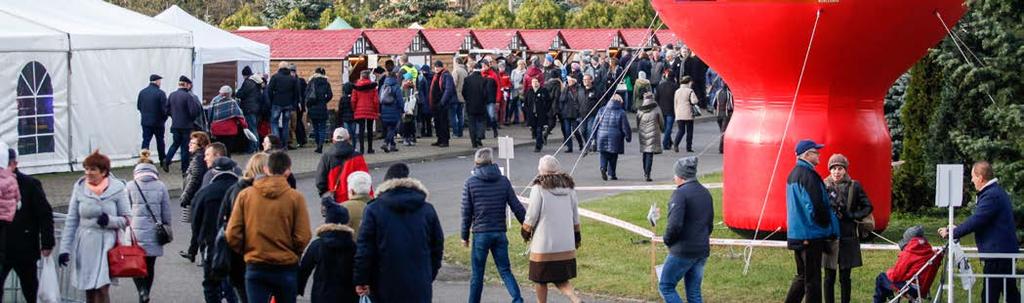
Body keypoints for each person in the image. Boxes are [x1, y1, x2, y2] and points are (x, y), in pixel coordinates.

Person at [226, 151, 312, 303]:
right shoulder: (295, 198)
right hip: (285, 265)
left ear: (266, 169)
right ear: (288, 171)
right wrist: (293, 251)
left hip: (256, 263)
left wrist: (247, 249)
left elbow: (233, 233)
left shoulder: (246, 195)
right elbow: (303, 235)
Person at [354, 166, 444, 302]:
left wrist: (361, 279)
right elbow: (437, 246)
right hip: (419, 283)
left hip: (384, 282)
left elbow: (365, 249)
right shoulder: (426, 209)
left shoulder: (374, 210)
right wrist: (428, 274)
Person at [939, 161, 1021, 303]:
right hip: (1002, 253)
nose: (971, 180)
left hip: (997, 255)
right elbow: (981, 220)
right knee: (1010, 293)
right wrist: (956, 230)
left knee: (990, 296)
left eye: (973, 177)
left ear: (980, 177)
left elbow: (977, 220)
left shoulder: (991, 195)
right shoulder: (995, 192)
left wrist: (953, 233)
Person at [58, 151, 131, 303]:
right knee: (88, 288)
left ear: (104, 172)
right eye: (86, 169)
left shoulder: (117, 188)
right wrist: (64, 249)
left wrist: (109, 221)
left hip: (107, 244)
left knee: (102, 288)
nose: (88, 173)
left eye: (92, 169)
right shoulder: (79, 187)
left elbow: (127, 218)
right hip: (85, 243)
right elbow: (72, 219)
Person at [461, 148, 528, 303]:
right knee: (505, 270)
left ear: (476, 162)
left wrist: (464, 236)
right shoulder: (503, 181)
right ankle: (518, 299)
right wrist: (526, 227)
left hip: (480, 233)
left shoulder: (470, 183)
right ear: (491, 161)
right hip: (499, 232)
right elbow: (516, 206)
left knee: (477, 274)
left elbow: (466, 212)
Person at [784, 139, 839, 303]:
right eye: (816, 152)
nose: (819, 154)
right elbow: (815, 206)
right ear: (807, 155)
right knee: (813, 281)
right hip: (811, 234)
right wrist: (826, 226)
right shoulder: (808, 175)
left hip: (798, 233)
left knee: (803, 276)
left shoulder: (794, 173)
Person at [521, 156, 581, 303]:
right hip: (565, 243)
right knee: (561, 278)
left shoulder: (538, 188)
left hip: (544, 244)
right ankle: (576, 300)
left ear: (541, 170)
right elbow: (575, 215)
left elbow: (532, 214)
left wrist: (525, 231)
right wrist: (577, 236)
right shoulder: (569, 188)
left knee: (540, 279)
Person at [0, 147, 54, 303]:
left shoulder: (30, 184)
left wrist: (47, 242)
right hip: (2, 248)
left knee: (30, 288)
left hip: (24, 248)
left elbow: (44, 214)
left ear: (15, 164)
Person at [218, 153, 271, 303]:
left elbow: (225, 223)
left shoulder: (237, 189)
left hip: (244, 255)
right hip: (256, 256)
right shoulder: (251, 192)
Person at [660, 157, 713, 303]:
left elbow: (674, 225)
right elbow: (709, 224)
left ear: (681, 176)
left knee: (666, 286)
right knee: (694, 292)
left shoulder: (680, 194)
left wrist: (667, 240)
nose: (674, 178)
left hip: (683, 250)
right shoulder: (705, 193)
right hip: (701, 249)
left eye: (675, 175)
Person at [822, 154, 873, 303]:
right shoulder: (823, 185)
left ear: (845, 170)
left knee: (845, 277)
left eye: (840, 168)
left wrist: (852, 215)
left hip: (848, 237)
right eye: (833, 169)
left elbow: (868, 206)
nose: (836, 172)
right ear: (829, 170)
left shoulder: (854, 186)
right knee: (828, 277)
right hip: (829, 237)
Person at [125, 150, 172, 303]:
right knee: (150, 265)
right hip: (154, 231)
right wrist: (167, 226)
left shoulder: (130, 185)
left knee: (135, 264)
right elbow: (166, 211)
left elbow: (125, 210)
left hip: (134, 232)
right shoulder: (161, 186)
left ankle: (141, 290)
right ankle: (145, 293)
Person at [192, 155, 240, 303]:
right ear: (233, 169)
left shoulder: (204, 192)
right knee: (235, 283)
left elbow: (195, 221)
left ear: (214, 172)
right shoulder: (242, 191)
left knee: (211, 283)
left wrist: (200, 241)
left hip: (211, 243)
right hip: (237, 243)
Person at [299, 199, 358, 303]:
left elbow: (305, 269)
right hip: (348, 296)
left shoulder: (317, 245)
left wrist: (298, 288)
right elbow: (360, 268)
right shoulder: (353, 246)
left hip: (322, 295)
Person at [874, 226, 940, 303]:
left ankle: (888, 299)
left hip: (910, 288)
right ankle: (892, 299)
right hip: (922, 288)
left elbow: (896, 275)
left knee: (881, 277)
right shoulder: (930, 252)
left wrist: (889, 272)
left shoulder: (910, 252)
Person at [178, 132, 211, 261]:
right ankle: (193, 252)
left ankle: (201, 254)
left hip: (197, 197)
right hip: (198, 196)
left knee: (197, 225)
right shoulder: (199, 157)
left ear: (200, 145)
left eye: (192, 143)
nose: (189, 145)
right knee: (197, 225)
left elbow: (195, 179)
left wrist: (186, 195)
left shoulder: (198, 159)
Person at [165, 76, 202, 173]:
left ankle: (167, 160)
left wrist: (174, 117)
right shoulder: (188, 96)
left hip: (175, 125)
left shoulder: (172, 95)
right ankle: (184, 168)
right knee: (185, 147)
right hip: (186, 126)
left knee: (175, 143)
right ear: (186, 84)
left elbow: (167, 110)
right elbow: (193, 112)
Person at [595, 95, 632, 181]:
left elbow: (595, 124)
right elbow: (625, 127)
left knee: (603, 154)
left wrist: (593, 138)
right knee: (613, 156)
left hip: (601, 134)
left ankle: (603, 168)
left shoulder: (601, 110)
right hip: (615, 137)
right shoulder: (621, 112)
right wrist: (628, 137)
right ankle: (612, 174)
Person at [269, 62, 301, 150]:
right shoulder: (292, 78)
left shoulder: (275, 77)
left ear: (279, 68)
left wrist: (272, 101)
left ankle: (277, 144)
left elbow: (269, 90)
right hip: (288, 104)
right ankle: (285, 145)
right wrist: (294, 104)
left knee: (274, 123)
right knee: (286, 124)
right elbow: (296, 93)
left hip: (277, 103)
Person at [316, 128, 358, 195]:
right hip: (353, 198)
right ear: (348, 139)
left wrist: (325, 195)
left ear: (333, 140)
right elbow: (364, 179)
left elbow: (320, 181)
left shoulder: (327, 156)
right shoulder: (357, 156)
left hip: (334, 198)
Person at [138, 74, 168, 165]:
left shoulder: (142, 92)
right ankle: (162, 160)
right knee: (160, 141)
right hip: (158, 122)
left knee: (146, 141)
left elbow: (139, 106)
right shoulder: (161, 93)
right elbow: (164, 109)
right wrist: (164, 118)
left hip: (146, 122)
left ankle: (143, 160)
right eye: (160, 81)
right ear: (157, 81)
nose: (160, 83)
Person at [209, 86, 249, 154]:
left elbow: (210, 115)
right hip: (229, 131)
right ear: (229, 93)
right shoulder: (232, 102)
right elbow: (239, 116)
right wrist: (245, 126)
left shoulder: (214, 101)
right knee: (227, 150)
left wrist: (210, 126)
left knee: (218, 150)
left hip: (217, 130)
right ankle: (226, 162)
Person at [637, 93, 664, 182]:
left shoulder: (640, 109)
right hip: (653, 132)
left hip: (642, 132)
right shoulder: (656, 108)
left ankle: (645, 171)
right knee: (650, 154)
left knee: (645, 152)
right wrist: (662, 129)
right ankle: (647, 173)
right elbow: (661, 121)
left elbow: (638, 120)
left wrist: (639, 129)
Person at [429, 60, 457, 148]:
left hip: (442, 103)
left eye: (438, 67)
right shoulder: (436, 75)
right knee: (437, 123)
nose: (436, 68)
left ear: (441, 67)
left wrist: (442, 102)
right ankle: (439, 139)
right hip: (435, 103)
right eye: (435, 67)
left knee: (443, 122)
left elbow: (448, 90)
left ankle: (445, 141)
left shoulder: (446, 75)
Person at [236, 67, 264, 153]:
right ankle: (256, 147)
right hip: (256, 108)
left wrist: (236, 91)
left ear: (245, 75)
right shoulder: (256, 82)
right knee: (254, 128)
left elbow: (240, 94)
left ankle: (253, 148)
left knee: (251, 129)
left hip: (249, 108)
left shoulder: (248, 82)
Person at [351, 70, 380, 154]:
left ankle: (361, 149)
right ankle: (370, 148)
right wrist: (376, 110)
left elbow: (353, 100)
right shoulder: (373, 87)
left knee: (361, 130)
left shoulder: (356, 87)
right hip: (370, 109)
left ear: (361, 76)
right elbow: (376, 101)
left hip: (359, 110)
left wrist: (354, 109)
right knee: (370, 129)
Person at [306, 67, 334, 154]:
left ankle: (317, 144)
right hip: (322, 107)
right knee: (322, 127)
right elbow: (330, 95)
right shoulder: (326, 83)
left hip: (313, 107)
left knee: (315, 127)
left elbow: (306, 94)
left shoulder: (311, 82)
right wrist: (324, 101)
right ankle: (320, 145)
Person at [463, 63, 489, 148]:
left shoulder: (467, 79)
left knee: (472, 124)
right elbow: (486, 94)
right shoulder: (484, 80)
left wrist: (467, 99)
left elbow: (464, 92)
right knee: (481, 122)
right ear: (480, 69)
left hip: (470, 104)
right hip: (481, 105)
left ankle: (473, 142)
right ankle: (479, 136)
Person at [673, 76, 700, 153]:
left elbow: (675, 103)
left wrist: (676, 113)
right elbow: (694, 101)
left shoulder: (677, 91)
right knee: (689, 131)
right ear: (689, 82)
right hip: (688, 113)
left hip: (679, 113)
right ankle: (688, 147)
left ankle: (676, 144)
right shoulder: (690, 91)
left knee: (681, 130)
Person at [380, 72, 405, 153]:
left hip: (384, 110)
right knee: (392, 128)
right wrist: (402, 109)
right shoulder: (396, 87)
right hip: (394, 110)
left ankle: (393, 146)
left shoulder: (383, 86)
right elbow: (400, 99)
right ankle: (386, 142)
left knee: (389, 128)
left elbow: (379, 98)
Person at [559, 76, 585, 153]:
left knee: (575, 131)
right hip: (566, 112)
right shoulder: (566, 89)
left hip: (575, 113)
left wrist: (580, 110)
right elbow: (562, 99)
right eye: (568, 80)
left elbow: (581, 100)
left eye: (571, 80)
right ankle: (569, 147)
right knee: (567, 131)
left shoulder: (579, 89)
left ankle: (581, 143)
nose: (569, 82)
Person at [526, 78, 552, 152]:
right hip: (532, 115)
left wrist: (545, 110)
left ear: (539, 82)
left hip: (541, 115)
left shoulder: (543, 91)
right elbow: (526, 103)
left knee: (539, 130)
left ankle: (538, 146)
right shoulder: (529, 92)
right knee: (534, 131)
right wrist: (527, 111)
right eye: (533, 82)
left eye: (536, 81)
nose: (535, 83)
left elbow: (549, 102)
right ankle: (540, 140)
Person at [657, 72, 680, 151]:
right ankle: (665, 142)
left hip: (662, 109)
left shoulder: (660, 86)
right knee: (669, 127)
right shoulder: (675, 87)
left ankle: (668, 142)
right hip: (671, 109)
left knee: (666, 127)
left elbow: (657, 97)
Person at [289, 64, 308, 149]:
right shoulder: (301, 80)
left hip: (296, 105)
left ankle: (301, 140)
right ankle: (302, 140)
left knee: (297, 123)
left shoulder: (296, 81)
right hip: (300, 104)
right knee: (299, 122)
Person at [452, 56, 469, 138]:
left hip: (455, 96)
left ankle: (455, 132)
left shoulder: (456, 71)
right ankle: (460, 132)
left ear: (456, 62)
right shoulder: (465, 71)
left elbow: (454, 84)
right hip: (463, 96)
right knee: (460, 115)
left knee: (453, 115)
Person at [416, 64, 435, 138]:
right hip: (430, 99)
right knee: (428, 118)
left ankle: (423, 131)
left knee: (423, 117)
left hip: (424, 99)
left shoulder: (422, 79)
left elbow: (422, 90)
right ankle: (429, 132)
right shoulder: (433, 77)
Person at [400, 72, 418, 146]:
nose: (409, 81)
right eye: (408, 80)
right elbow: (401, 98)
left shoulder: (413, 88)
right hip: (406, 109)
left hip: (412, 108)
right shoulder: (402, 88)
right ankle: (406, 138)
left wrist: (414, 97)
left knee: (411, 124)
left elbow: (417, 97)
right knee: (406, 124)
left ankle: (410, 138)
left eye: (410, 80)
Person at [716, 83, 733, 154]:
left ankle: (722, 146)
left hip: (718, 115)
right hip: (725, 115)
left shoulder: (718, 92)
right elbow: (731, 105)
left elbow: (714, 103)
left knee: (721, 131)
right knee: (724, 132)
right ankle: (721, 148)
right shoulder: (729, 93)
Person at [509, 59, 528, 125]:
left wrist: (523, 88)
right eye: (519, 64)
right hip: (514, 90)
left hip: (522, 90)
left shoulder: (526, 71)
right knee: (513, 105)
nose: (521, 65)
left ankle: (524, 120)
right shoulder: (514, 71)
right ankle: (513, 119)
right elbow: (511, 80)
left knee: (522, 105)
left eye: (522, 64)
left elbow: (526, 81)